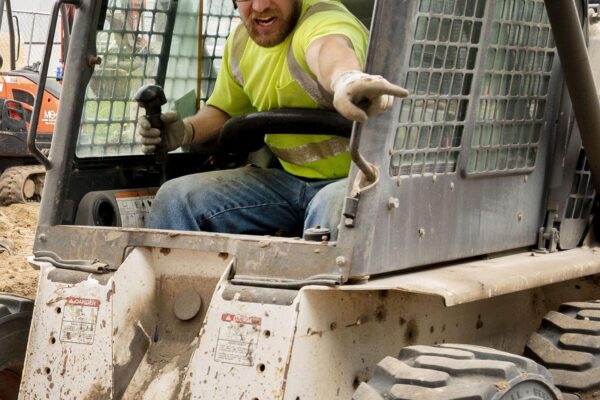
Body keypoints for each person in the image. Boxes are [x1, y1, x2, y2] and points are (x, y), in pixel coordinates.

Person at [137, 0, 408, 239]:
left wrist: (345, 78)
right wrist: (187, 130)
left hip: (357, 178)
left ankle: (307, 296)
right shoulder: (241, 44)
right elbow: (225, 110)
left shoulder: (323, 21)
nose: (259, 6)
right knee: (177, 199)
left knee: (331, 212)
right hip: (287, 181)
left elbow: (329, 49)